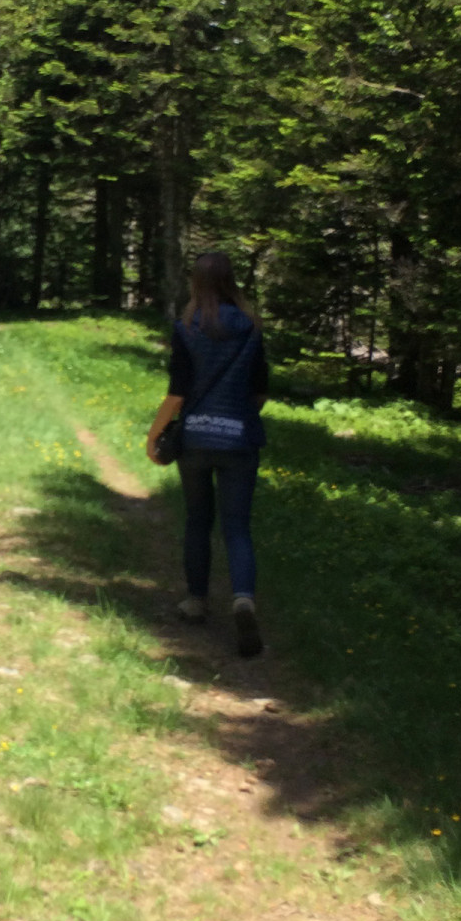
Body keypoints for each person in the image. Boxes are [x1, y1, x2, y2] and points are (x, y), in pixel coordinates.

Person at [145, 250, 268, 657]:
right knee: (238, 527)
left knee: (198, 520)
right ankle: (243, 599)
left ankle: (196, 600)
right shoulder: (251, 327)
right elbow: (260, 390)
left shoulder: (187, 326)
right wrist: (239, 416)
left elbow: (177, 393)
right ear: (232, 280)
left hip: (195, 438)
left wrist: (154, 435)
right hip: (239, 440)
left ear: (196, 282)